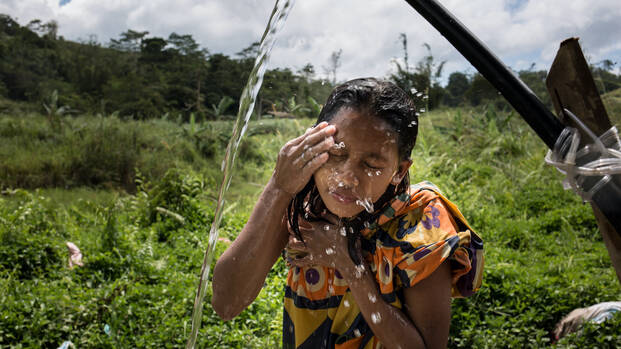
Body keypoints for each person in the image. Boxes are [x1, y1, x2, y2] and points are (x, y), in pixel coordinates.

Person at [212, 78, 484, 348]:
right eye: (337, 154)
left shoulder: (420, 225)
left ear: (399, 171)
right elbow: (226, 303)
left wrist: (350, 266)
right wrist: (279, 186)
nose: (346, 179)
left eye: (371, 164)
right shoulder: (305, 204)